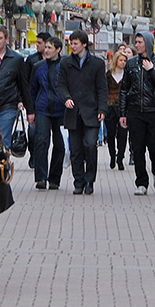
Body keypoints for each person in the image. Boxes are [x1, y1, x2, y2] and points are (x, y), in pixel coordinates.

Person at [119, 31, 155, 195]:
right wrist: (123, 113)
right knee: (137, 147)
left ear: (148, 43)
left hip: (153, 110)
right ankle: (141, 182)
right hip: (135, 111)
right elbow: (124, 89)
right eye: (136, 42)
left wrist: (151, 70)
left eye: (140, 42)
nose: (137, 44)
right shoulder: (131, 64)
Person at [58, 31, 108, 195]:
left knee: (90, 145)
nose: (73, 46)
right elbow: (61, 85)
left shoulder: (97, 64)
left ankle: (89, 180)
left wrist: (102, 109)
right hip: (73, 112)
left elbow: (102, 88)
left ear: (84, 44)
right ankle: (78, 181)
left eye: (76, 43)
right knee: (76, 150)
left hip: (91, 111)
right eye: (71, 43)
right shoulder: (66, 63)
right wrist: (66, 98)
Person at [29, 36, 66, 190]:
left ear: (58, 50)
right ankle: (41, 177)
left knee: (60, 144)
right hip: (43, 108)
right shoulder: (38, 67)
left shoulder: (65, 66)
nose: (46, 50)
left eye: (50, 47)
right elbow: (32, 89)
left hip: (61, 110)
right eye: (46, 47)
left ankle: (55, 179)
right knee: (41, 141)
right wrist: (31, 111)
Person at [104, 45, 131, 170]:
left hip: (123, 107)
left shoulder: (128, 75)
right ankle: (112, 156)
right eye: (121, 60)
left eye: (125, 60)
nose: (123, 63)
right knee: (110, 134)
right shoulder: (108, 74)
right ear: (116, 61)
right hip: (110, 106)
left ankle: (120, 157)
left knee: (122, 134)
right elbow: (104, 90)